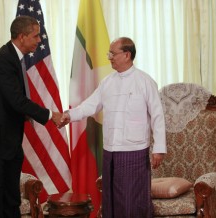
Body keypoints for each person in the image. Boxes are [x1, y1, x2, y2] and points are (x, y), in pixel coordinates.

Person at [60, 37, 167, 218]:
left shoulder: (145, 81)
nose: (109, 57)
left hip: (134, 151)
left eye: (112, 53)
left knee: (132, 201)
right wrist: (68, 115)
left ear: (127, 55)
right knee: (111, 201)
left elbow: (158, 116)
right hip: (110, 151)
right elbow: (89, 106)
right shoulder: (107, 82)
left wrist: (159, 149)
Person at [0, 15, 62, 218]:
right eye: (35, 36)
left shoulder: (14, 58)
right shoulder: (3, 60)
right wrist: (50, 115)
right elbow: (17, 101)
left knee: (12, 201)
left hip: (8, 141)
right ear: (21, 36)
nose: (39, 40)